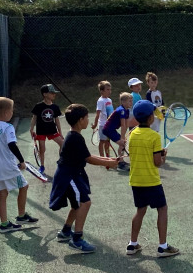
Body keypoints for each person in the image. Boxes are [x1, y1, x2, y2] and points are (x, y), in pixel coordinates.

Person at [51, 104, 120, 253]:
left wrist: (109, 160)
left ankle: (65, 232)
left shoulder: (75, 136)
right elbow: (89, 159)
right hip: (68, 176)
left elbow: (88, 156)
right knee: (85, 203)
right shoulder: (75, 138)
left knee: (78, 204)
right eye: (87, 117)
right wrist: (109, 163)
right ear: (80, 120)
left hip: (73, 174)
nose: (88, 120)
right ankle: (76, 239)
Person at [125, 99, 179, 258]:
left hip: (136, 180)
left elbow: (138, 153)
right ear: (150, 118)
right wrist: (163, 157)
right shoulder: (154, 136)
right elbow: (157, 163)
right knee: (162, 209)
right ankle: (162, 247)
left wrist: (157, 153)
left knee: (140, 211)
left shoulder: (132, 134)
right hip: (151, 181)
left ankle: (132, 244)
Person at [0, 97, 37, 233]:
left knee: (2, 194)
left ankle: (4, 224)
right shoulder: (8, 127)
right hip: (8, 167)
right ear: (7, 112)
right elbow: (11, 145)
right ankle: (21, 216)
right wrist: (21, 161)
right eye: (12, 110)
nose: (12, 112)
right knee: (24, 186)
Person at [30, 84, 64, 173]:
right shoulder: (38, 106)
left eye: (54, 93)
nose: (54, 94)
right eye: (52, 93)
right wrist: (31, 129)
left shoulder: (55, 107)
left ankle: (61, 160)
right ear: (45, 94)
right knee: (42, 149)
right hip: (41, 131)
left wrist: (60, 132)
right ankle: (42, 166)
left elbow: (57, 120)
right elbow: (34, 118)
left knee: (63, 144)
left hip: (52, 130)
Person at [101, 92, 133, 171]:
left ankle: (120, 161)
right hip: (108, 129)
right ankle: (120, 163)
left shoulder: (127, 111)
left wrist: (124, 136)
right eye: (129, 101)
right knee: (122, 143)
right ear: (123, 102)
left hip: (112, 129)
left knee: (123, 143)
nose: (131, 103)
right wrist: (122, 138)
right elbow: (122, 125)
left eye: (131, 101)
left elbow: (126, 125)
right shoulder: (121, 110)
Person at [92, 80, 114, 159]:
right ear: (102, 91)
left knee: (108, 141)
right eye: (107, 89)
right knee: (102, 141)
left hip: (109, 125)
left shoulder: (109, 100)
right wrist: (95, 124)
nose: (109, 91)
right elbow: (97, 114)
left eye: (110, 89)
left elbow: (111, 113)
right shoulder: (100, 101)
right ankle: (102, 157)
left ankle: (107, 156)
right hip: (102, 125)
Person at [145, 71, 164, 135]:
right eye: (151, 82)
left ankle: (154, 143)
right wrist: (156, 111)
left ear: (157, 82)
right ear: (148, 83)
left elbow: (162, 103)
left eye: (155, 82)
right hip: (153, 115)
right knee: (153, 130)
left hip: (159, 115)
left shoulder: (159, 92)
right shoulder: (149, 93)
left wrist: (163, 112)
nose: (153, 84)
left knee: (157, 129)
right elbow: (149, 104)